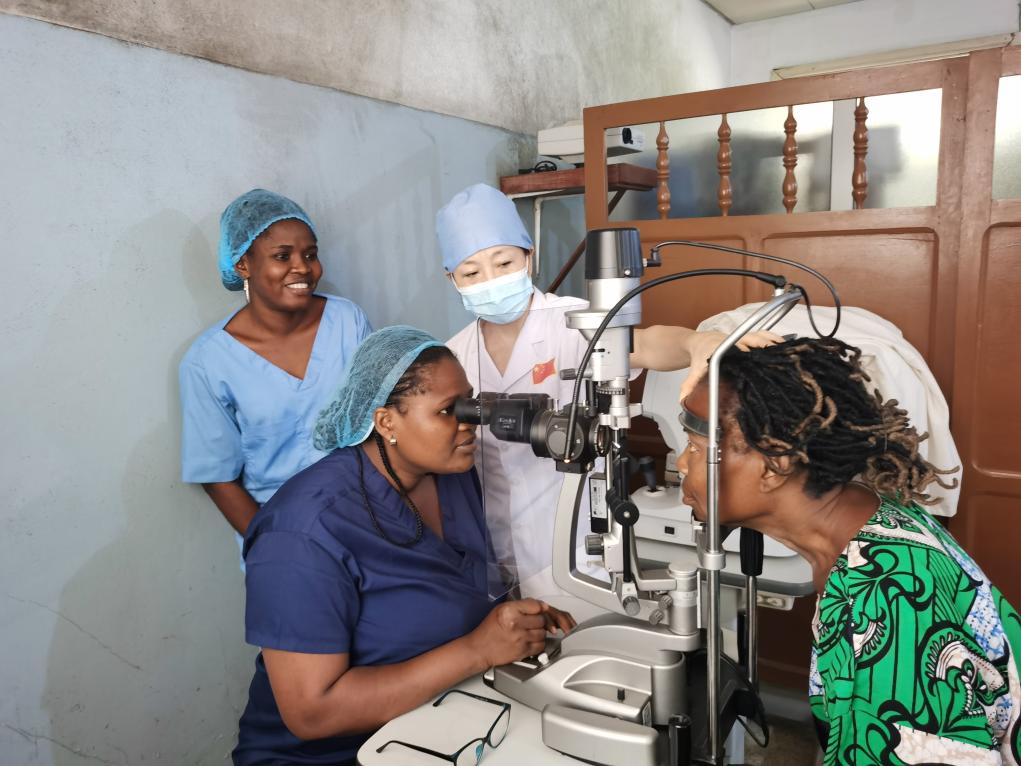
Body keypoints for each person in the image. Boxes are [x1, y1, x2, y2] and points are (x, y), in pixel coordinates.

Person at [232, 326, 575, 765]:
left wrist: (514, 622)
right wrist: (478, 649)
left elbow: (460, 587)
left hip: (437, 721)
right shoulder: (302, 534)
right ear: (386, 422)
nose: (470, 422)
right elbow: (312, 713)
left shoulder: (452, 475)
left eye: (470, 403)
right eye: (449, 410)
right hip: (330, 756)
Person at [676, 337, 1020, 765]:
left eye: (696, 448)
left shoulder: (888, 599)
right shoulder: (864, 516)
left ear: (775, 464)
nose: (682, 463)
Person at [435, 182, 778, 594]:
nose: (490, 280)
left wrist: (694, 342)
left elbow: (643, 345)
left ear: (530, 256)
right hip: (493, 551)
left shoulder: (574, 321)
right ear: (451, 279)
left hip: (577, 542)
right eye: (472, 273)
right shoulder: (453, 354)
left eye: (504, 262)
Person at [179, 189, 371, 559]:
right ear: (242, 265)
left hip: (370, 516)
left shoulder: (347, 321)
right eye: (282, 256)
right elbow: (218, 477)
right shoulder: (208, 362)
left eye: (310, 254)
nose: (302, 267)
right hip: (284, 532)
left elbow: (382, 417)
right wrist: (279, 550)